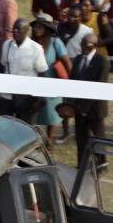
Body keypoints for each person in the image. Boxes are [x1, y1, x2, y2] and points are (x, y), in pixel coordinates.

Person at [65, 34, 110, 164]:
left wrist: (84, 108)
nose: (83, 47)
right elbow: (72, 82)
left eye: (87, 45)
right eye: (82, 44)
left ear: (95, 46)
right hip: (79, 108)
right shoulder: (79, 59)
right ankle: (82, 164)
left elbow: (99, 88)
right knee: (81, 138)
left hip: (95, 108)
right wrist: (71, 105)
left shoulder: (102, 61)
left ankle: (102, 164)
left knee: (98, 138)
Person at [30, 14, 71, 148]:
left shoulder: (55, 43)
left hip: (52, 84)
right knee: (34, 114)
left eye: (40, 26)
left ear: (47, 28)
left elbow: (67, 63)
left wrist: (72, 84)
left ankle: (49, 141)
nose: (37, 28)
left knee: (50, 114)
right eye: (35, 25)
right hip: (34, 84)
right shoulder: (30, 42)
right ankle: (34, 140)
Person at [0, 18, 49, 121]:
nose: (15, 31)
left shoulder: (36, 48)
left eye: (19, 29)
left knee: (25, 127)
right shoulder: (7, 45)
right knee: (4, 126)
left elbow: (42, 74)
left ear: (26, 31)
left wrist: (40, 98)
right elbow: (3, 67)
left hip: (26, 97)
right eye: (14, 29)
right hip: (7, 95)